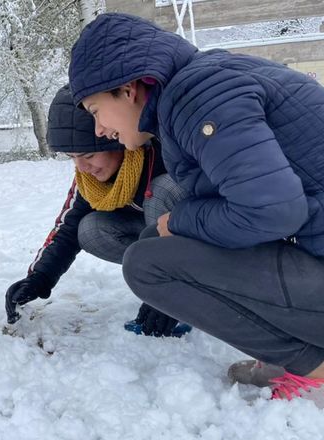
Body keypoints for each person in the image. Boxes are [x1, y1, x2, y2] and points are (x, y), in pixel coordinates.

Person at [70, 12, 324, 406]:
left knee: (147, 264)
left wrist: (182, 219)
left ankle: (312, 367)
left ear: (127, 89)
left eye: (94, 110)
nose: (99, 129)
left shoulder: (199, 97)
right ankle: (287, 354)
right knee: (157, 241)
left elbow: (272, 211)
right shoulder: (200, 85)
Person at [5, 84, 188, 338]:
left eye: (89, 155)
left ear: (115, 138)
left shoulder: (162, 152)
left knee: (162, 190)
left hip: (201, 242)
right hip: (154, 241)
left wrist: (172, 292)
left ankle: (187, 289)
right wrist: (38, 278)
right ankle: (159, 280)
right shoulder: (91, 181)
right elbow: (67, 227)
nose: (82, 167)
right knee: (90, 229)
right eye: (72, 157)